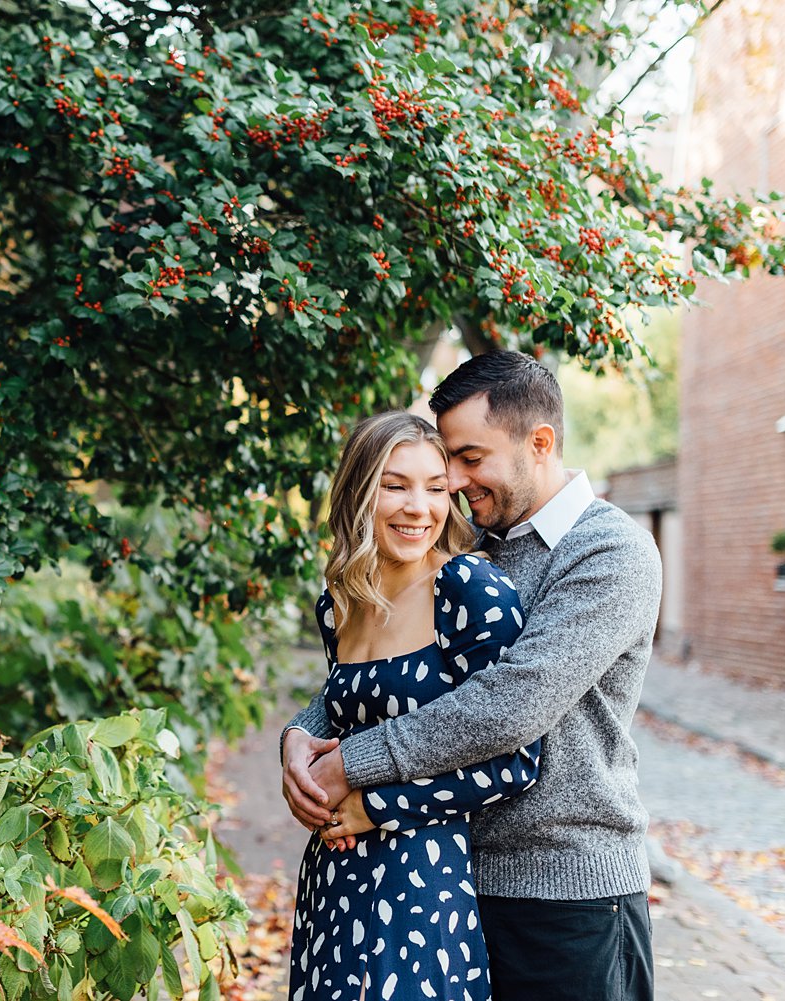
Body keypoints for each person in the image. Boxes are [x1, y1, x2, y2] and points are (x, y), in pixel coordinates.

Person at [282, 351, 662, 1001]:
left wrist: (351, 766)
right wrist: (300, 732)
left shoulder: (607, 551)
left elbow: (510, 703)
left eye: (469, 457)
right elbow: (393, 677)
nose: (453, 480)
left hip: (568, 896)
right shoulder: (476, 550)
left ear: (538, 443)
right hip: (459, 880)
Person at [285, 409, 543, 1001]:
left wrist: (378, 806)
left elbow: (515, 759)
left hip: (421, 889)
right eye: (395, 485)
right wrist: (294, 741)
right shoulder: (339, 601)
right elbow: (340, 705)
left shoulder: (468, 589)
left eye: (434, 488)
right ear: (358, 491)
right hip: (332, 881)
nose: (418, 508)